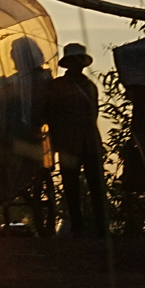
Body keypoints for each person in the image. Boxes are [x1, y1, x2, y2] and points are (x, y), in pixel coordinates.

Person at [46, 42, 107, 238]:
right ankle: (78, 228)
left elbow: (93, 113)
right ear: (69, 63)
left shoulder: (88, 86)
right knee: (71, 188)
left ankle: (101, 228)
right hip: (69, 143)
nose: (77, 64)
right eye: (75, 61)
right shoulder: (58, 86)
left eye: (79, 61)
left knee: (96, 187)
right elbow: (50, 115)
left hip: (88, 142)